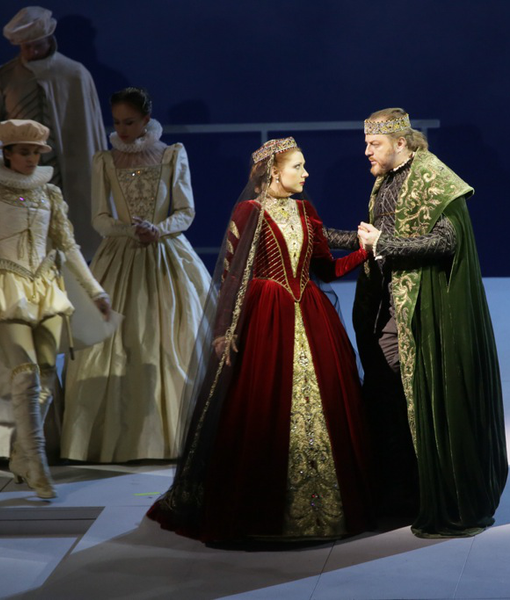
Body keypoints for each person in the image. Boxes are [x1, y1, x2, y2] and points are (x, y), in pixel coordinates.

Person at [147, 137, 373, 543]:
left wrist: (365, 252)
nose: (305, 173)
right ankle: (261, 513)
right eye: (298, 166)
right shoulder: (249, 211)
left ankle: (329, 508)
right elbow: (232, 275)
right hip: (265, 318)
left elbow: (326, 269)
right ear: (273, 172)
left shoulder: (306, 211)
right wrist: (224, 331)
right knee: (262, 403)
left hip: (311, 312)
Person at [326, 108, 507, 538]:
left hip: (423, 307)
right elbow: (374, 239)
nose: (367, 151)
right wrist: (316, 233)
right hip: (388, 304)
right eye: (366, 143)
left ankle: (434, 493)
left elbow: (447, 240)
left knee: (414, 395)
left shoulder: (432, 177)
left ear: (401, 143)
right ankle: (399, 493)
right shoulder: (387, 179)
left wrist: (384, 243)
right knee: (387, 396)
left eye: (374, 144)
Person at [0, 119, 111, 498]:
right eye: (24, 152)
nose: (30, 158)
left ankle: (21, 456)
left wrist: (95, 291)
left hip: (45, 287)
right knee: (25, 374)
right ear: (8, 153)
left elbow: (68, 246)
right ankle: (39, 464)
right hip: (5, 284)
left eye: (35, 153)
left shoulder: (50, 194)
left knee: (44, 377)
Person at [61, 87, 210, 462]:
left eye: (129, 122)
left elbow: (186, 211)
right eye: (117, 122)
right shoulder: (105, 160)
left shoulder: (172, 154)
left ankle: (175, 436)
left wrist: (158, 229)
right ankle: (108, 439)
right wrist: (130, 231)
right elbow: (100, 217)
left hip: (165, 251)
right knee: (111, 342)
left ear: (146, 120)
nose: (122, 129)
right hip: (121, 252)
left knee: (173, 337)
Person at [0, 6, 107, 257]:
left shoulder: (74, 74)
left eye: (37, 46)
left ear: (50, 39)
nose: (31, 52)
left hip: (68, 178)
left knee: (68, 239)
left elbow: (89, 134)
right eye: (26, 47)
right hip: (19, 176)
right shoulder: (4, 77)